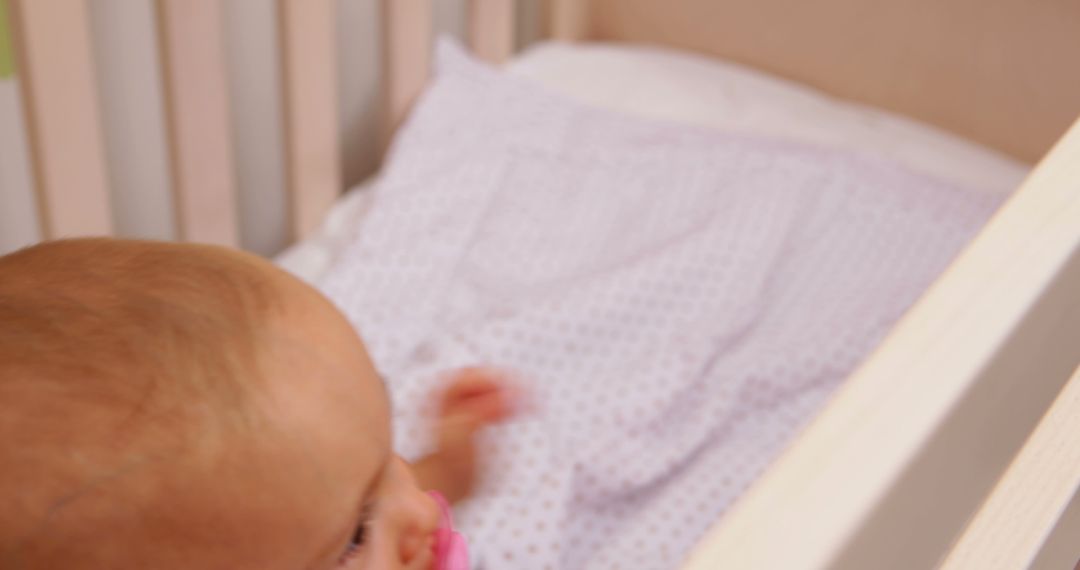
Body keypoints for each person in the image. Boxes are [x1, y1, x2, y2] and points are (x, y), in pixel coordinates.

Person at [0, 238, 516, 569]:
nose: (422, 510)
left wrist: (447, 464)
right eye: (355, 537)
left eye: (386, 458)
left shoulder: (381, 528)